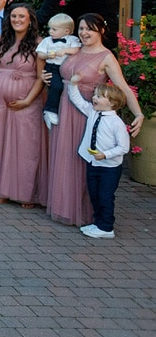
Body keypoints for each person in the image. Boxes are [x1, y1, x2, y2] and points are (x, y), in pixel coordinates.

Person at [48, 14, 144, 226]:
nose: (84, 33)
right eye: (81, 28)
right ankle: (65, 206)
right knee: (66, 157)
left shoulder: (106, 57)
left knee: (85, 162)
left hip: (87, 114)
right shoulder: (74, 48)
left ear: (101, 30)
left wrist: (138, 113)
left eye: (89, 29)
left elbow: (123, 87)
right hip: (66, 108)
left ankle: (87, 213)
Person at [0, 4, 47, 208]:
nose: (17, 19)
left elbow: (40, 77)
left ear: (30, 20)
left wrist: (27, 100)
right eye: (14, 16)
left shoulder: (38, 43)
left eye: (21, 16)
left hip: (27, 99)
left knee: (27, 146)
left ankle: (26, 193)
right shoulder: (3, 39)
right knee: (0, 142)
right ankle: (2, 189)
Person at [66, 78, 130, 239]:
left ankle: (107, 227)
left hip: (109, 167)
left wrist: (105, 154)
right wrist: (73, 85)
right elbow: (77, 100)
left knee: (105, 196)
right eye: (95, 95)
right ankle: (98, 222)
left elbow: (123, 147)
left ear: (113, 103)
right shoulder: (93, 112)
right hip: (93, 163)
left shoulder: (117, 123)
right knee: (94, 194)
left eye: (100, 96)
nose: (94, 98)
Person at [38, 14, 81, 129]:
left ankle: (61, 111)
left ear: (66, 31)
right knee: (56, 87)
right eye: (50, 28)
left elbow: (77, 49)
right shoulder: (47, 41)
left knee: (67, 90)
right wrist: (47, 55)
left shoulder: (72, 40)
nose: (50, 31)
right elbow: (40, 54)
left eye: (54, 29)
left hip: (68, 69)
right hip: (53, 68)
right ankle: (49, 110)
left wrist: (65, 50)